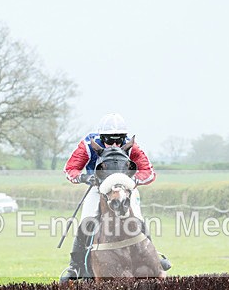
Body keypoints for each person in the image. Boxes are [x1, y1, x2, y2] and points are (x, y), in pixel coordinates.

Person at [60, 112, 170, 281]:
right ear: (101, 137)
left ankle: (153, 256)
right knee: (87, 221)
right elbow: (70, 169)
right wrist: (84, 177)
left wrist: (131, 180)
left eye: (119, 139)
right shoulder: (88, 146)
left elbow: (149, 172)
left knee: (138, 219)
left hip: (125, 188)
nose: (115, 144)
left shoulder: (131, 146)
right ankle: (75, 266)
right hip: (98, 189)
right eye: (110, 140)